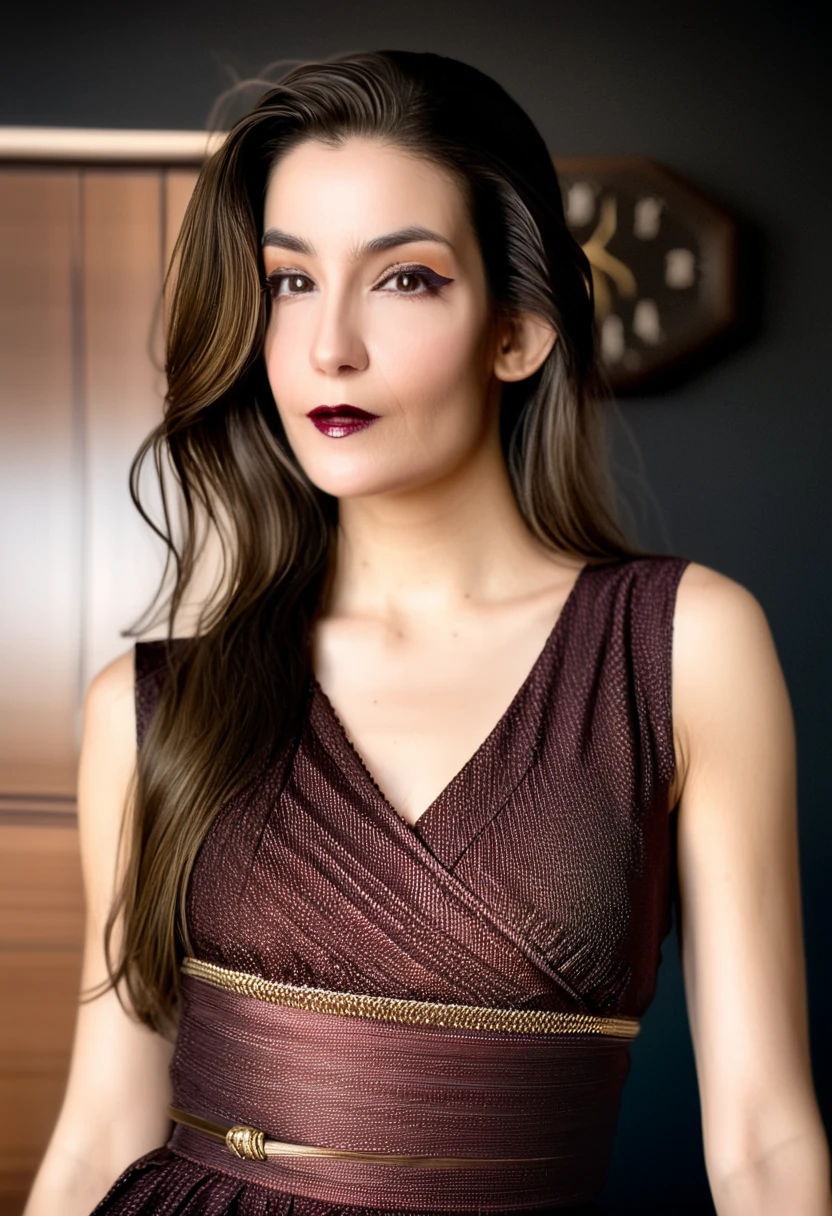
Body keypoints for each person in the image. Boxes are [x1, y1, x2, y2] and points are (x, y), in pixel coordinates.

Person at [23, 48, 830, 1216]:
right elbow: (102, 1125)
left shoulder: (685, 646)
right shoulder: (144, 706)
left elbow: (762, 1140)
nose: (327, 347)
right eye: (290, 282)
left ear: (518, 330)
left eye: (402, 280)